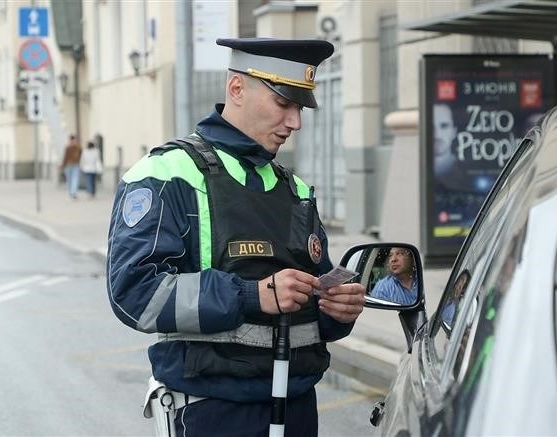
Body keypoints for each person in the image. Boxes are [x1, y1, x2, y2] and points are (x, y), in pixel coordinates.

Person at [106, 38, 365, 437]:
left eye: (300, 108)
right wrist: (248, 296)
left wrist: (335, 312)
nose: (295, 122)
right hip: (212, 414)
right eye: (284, 104)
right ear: (237, 89)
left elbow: (307, 311)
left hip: (297, 409)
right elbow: (134, 293)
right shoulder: (167, 173)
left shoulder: (295, 190)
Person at [61, 134, 81, 199]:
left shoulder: (67, 147)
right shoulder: (78, 147)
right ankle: (73, 192)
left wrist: (62, 165)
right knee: (75, 179)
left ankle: (71, 192)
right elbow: (80, 156)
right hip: (75, 164)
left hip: (68, 165)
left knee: (69, 180)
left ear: (69, 139)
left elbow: (65, 157)